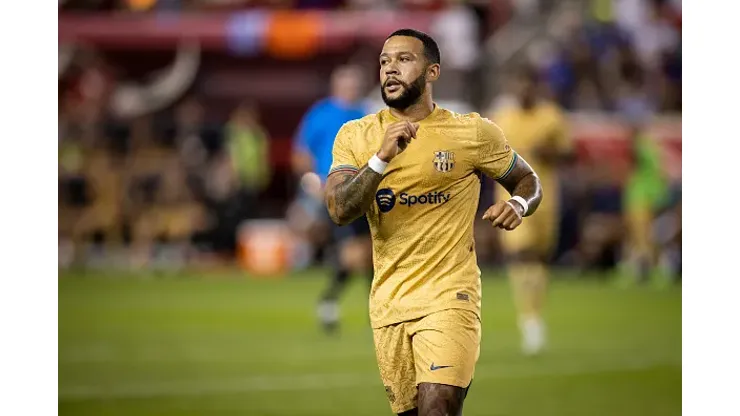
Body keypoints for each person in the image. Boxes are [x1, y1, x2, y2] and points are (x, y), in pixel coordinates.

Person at [324, 29, 543, 416]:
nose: (390, 69)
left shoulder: (472, 132)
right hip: (390, 302)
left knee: (438, 407)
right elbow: (340, 210)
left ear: (432, 72)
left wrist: (521, 204)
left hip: (449, 296)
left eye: (404, 60)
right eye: (384, 61)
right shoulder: (356, 136)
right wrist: (380, 160)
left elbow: (527, 180)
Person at [492, 66, 572, 356]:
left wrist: (549, 152)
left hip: (546, 195)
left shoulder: (551, 117)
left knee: (539, 257)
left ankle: (534, 314)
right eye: (518, 86)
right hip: (511, 197)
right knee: (520, 253)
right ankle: (529, 321)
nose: (523, 92)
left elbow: (569, 152)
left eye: (528, 86)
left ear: (536, 88)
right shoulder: (503, 119)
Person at [291, 64, 371, 333]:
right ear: (336, 86)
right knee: (353, 252)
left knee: (369, 253)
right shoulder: (321, 114)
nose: (352, 89)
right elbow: (301, 155)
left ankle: (341, 303)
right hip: (334, 194)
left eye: (355, 84)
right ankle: (340, 304)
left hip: (360, 193)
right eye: (347, 84)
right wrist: (313, 184)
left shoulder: (363, 115)